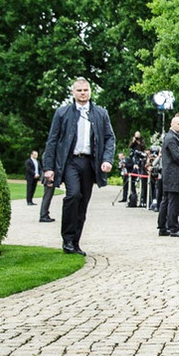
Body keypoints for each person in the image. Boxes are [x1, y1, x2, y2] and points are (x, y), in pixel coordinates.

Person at [42, 77, 116, 255]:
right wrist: (48, 168)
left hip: (90, 163)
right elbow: (52, 141)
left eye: (86, 90)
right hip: (70, 161)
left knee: (83, 202)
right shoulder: (62, 113)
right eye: (79, 90)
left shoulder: (100, 113)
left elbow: (109, 138)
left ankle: (75, 242)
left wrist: (107, 159)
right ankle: (67, 239)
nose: (83, 93)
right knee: (73, 195)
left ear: (90, 91)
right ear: (73, 92)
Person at [158, 113, 179, 238]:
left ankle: (163, 227)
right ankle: (173, 228)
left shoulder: (174, 137)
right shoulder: (172, 138)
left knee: (166, 201)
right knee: (173, 201)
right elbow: (177, 156)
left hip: (170, 173)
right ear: (172, 124)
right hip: (173, 173)